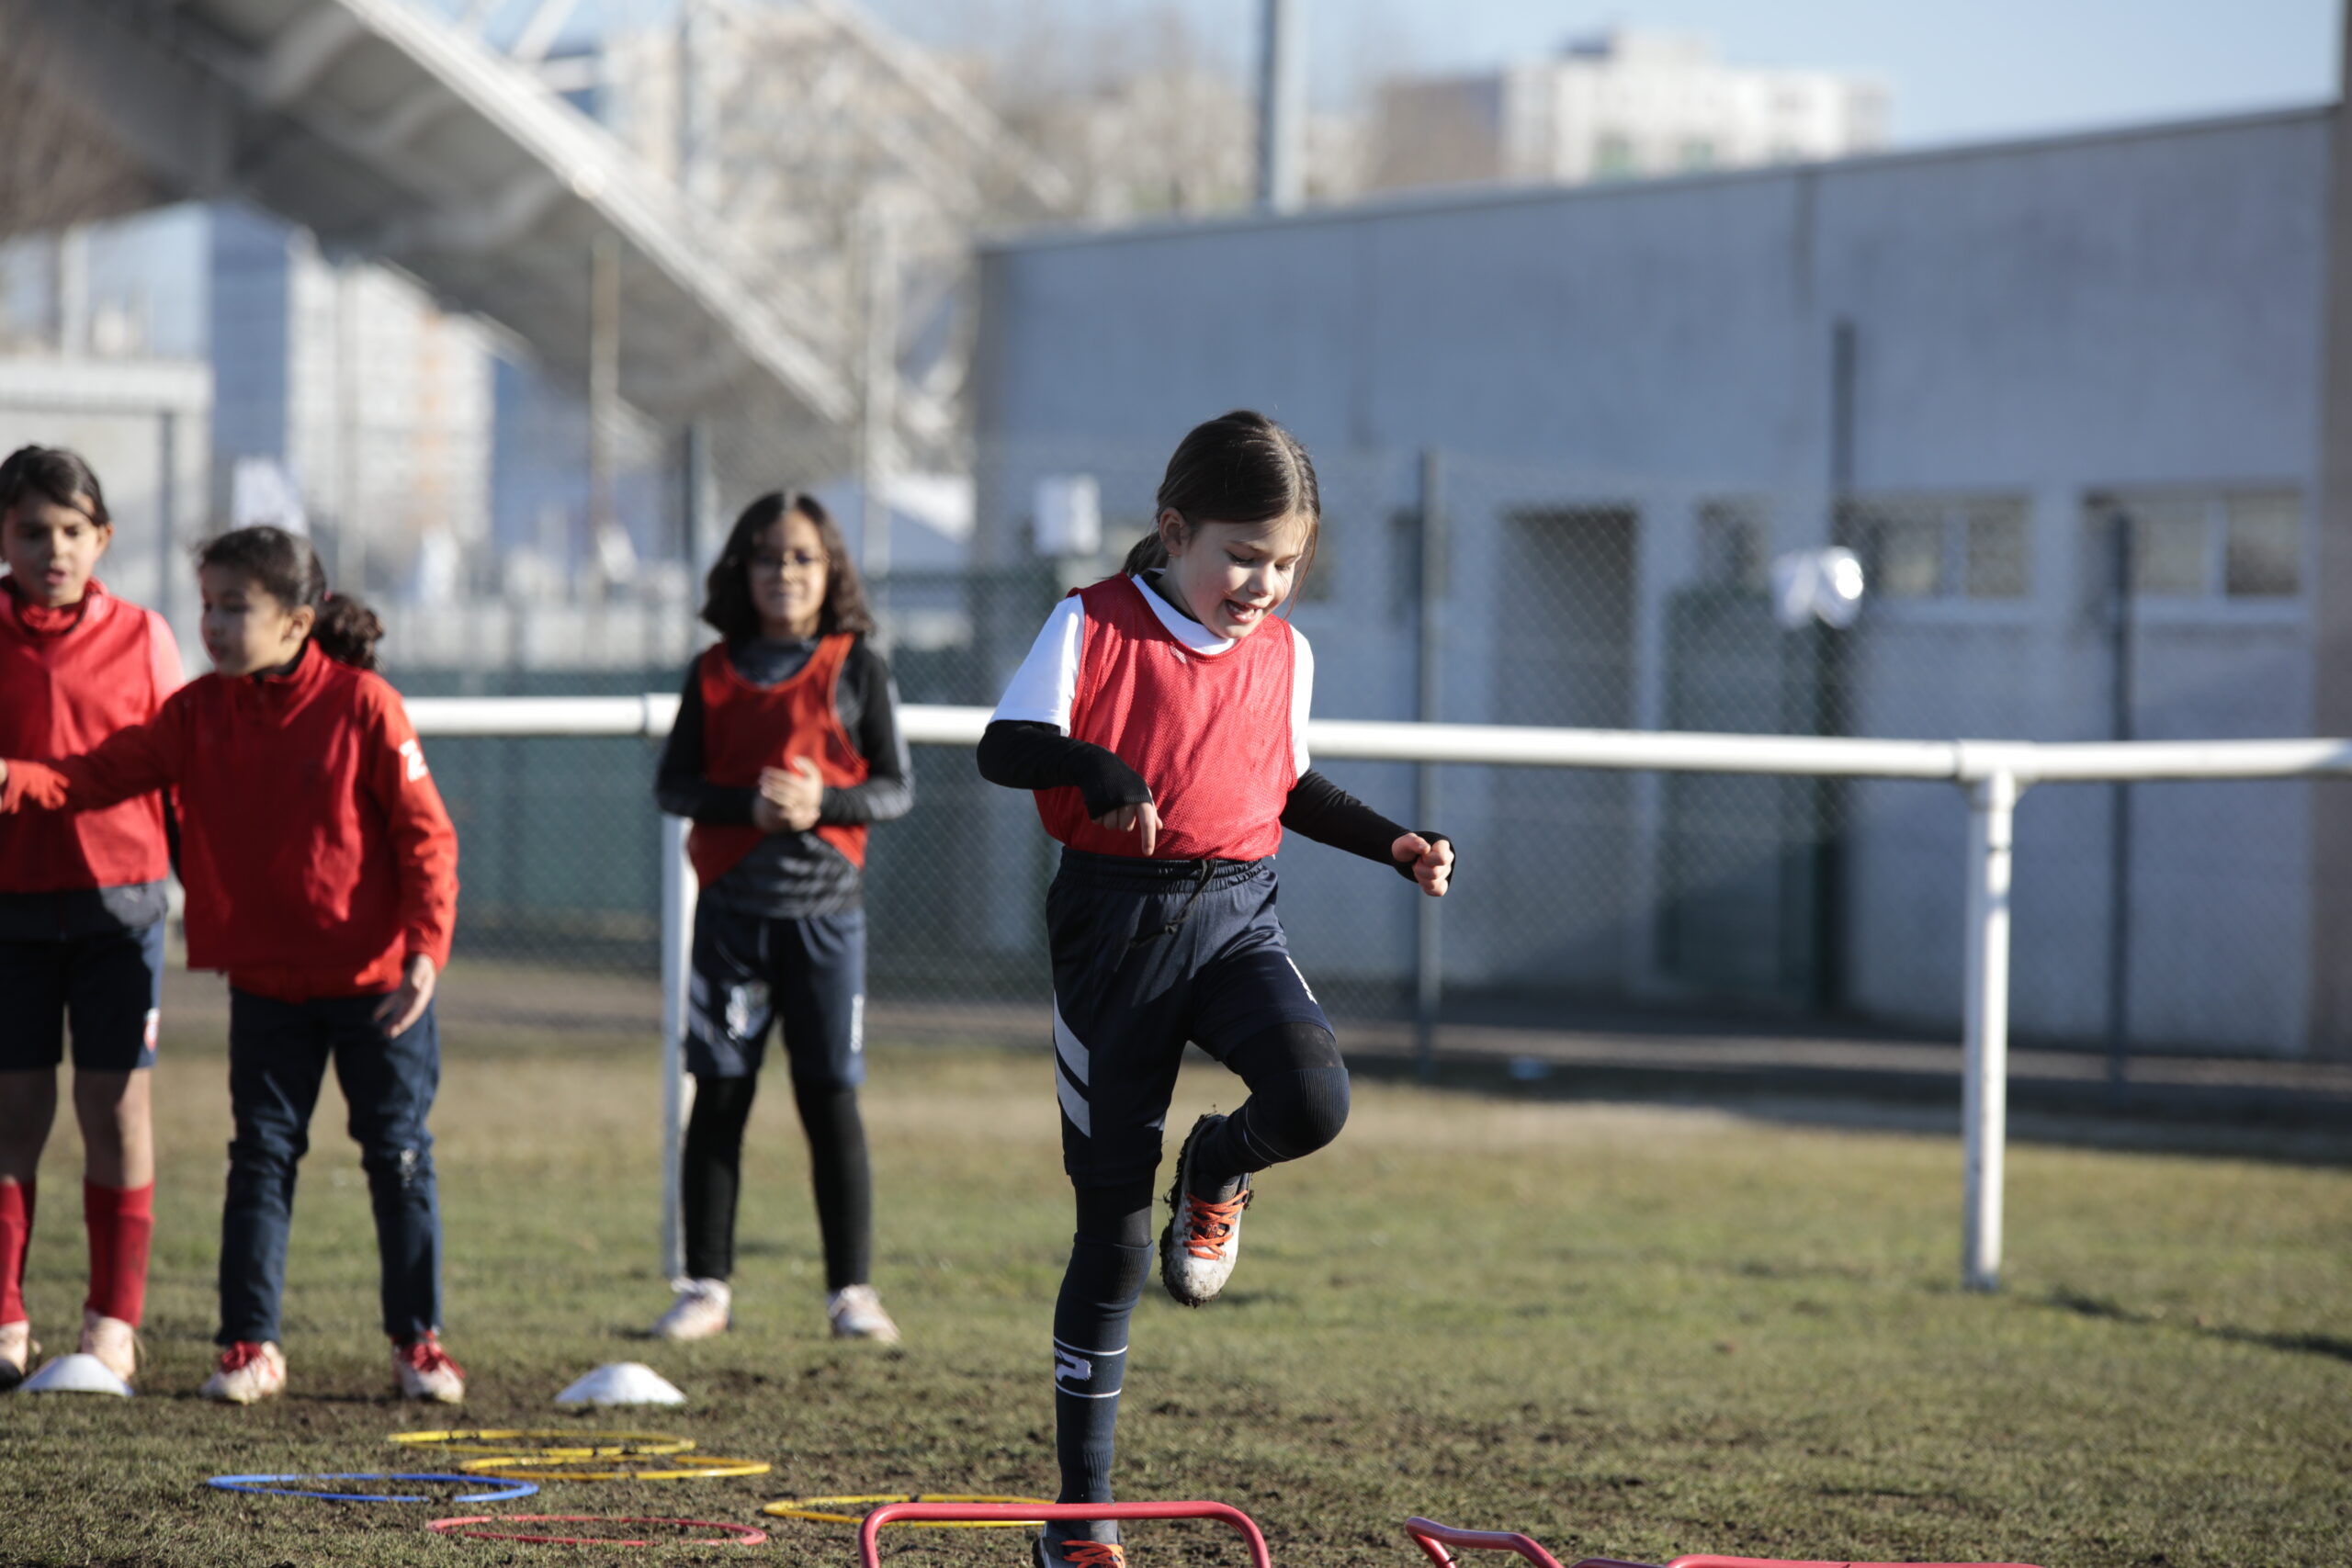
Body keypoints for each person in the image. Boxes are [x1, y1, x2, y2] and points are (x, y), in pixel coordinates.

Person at [976, 410, 1455, 1568]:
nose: (1263, 583)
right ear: (1174, 528)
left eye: (1286, 563)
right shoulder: (1090, 621)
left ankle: (1221, 1163)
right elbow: (1006, 745)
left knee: (1314, 1099)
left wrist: (1392, 839)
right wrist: (1094, 764)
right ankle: (1079, 1518)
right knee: (1110, 1235)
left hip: (1240, 916)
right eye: (1242, 554)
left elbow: (1282, 782)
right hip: (1115, 935)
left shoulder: (1284, 653)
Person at [0, 525, 462, 1404]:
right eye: (206, 604)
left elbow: (426, 837)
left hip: (376, 992)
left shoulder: (365, 705)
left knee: (398, 1157)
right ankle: (250, 1345)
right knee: (259, 1160)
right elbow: (93, 778)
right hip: (267, 987)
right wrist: (11, 778)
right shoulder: (198, 712)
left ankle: (418, 1345)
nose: (211, 623)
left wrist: (424, 952)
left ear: (296, 622)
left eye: (233, 607)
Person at [650, 491, 913, 1345]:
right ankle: (707, 1288)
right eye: (768, 556)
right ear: (741, 569)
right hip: (731, 919)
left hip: (827, 922)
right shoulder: (714, 671)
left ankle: (852, 1292)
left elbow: (895, 786)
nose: (785, 572)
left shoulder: (857, 665)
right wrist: (746, 809)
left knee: (830, 1095)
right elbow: (675, 786)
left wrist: (822, 802)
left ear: (829, 567)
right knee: (720, 1096)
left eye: (802, 556)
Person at [0, 446, 180, 1391]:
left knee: (115, 1110)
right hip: (9, 915)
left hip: (123, 911)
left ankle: (114, 1319)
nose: (53, 549)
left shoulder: (147, 635)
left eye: (72, 531)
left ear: (101, 538)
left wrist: (210, 892)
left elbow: (183, 767)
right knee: (13, 1111)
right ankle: (5, 1315)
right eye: (32, 530)